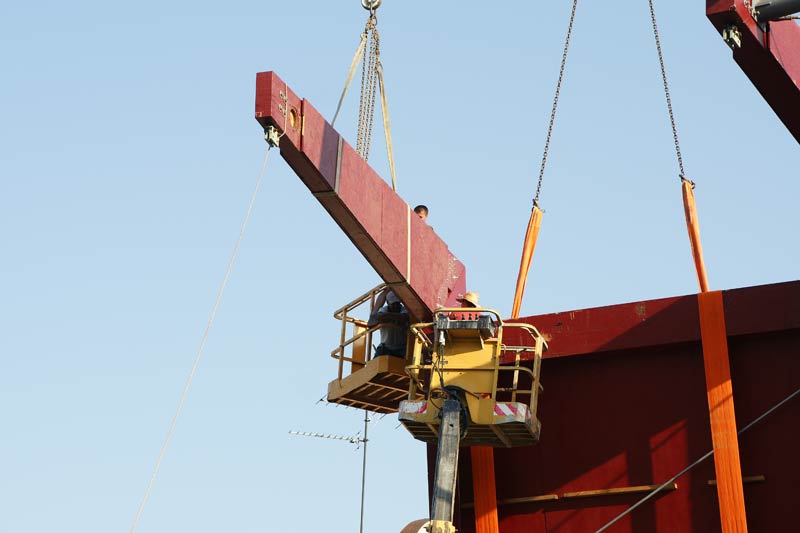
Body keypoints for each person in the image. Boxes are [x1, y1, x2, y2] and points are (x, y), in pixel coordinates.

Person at [368, 288, 409, 358]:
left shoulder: (403, 309)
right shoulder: (384, 310)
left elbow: (404, 317)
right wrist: (394, 317)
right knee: (376, 360)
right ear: (388, 303)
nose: (395, 306)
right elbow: (373, 321)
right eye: (393, 304)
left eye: (397, 303)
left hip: (402, 348)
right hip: (386, 347)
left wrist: (387, 316)